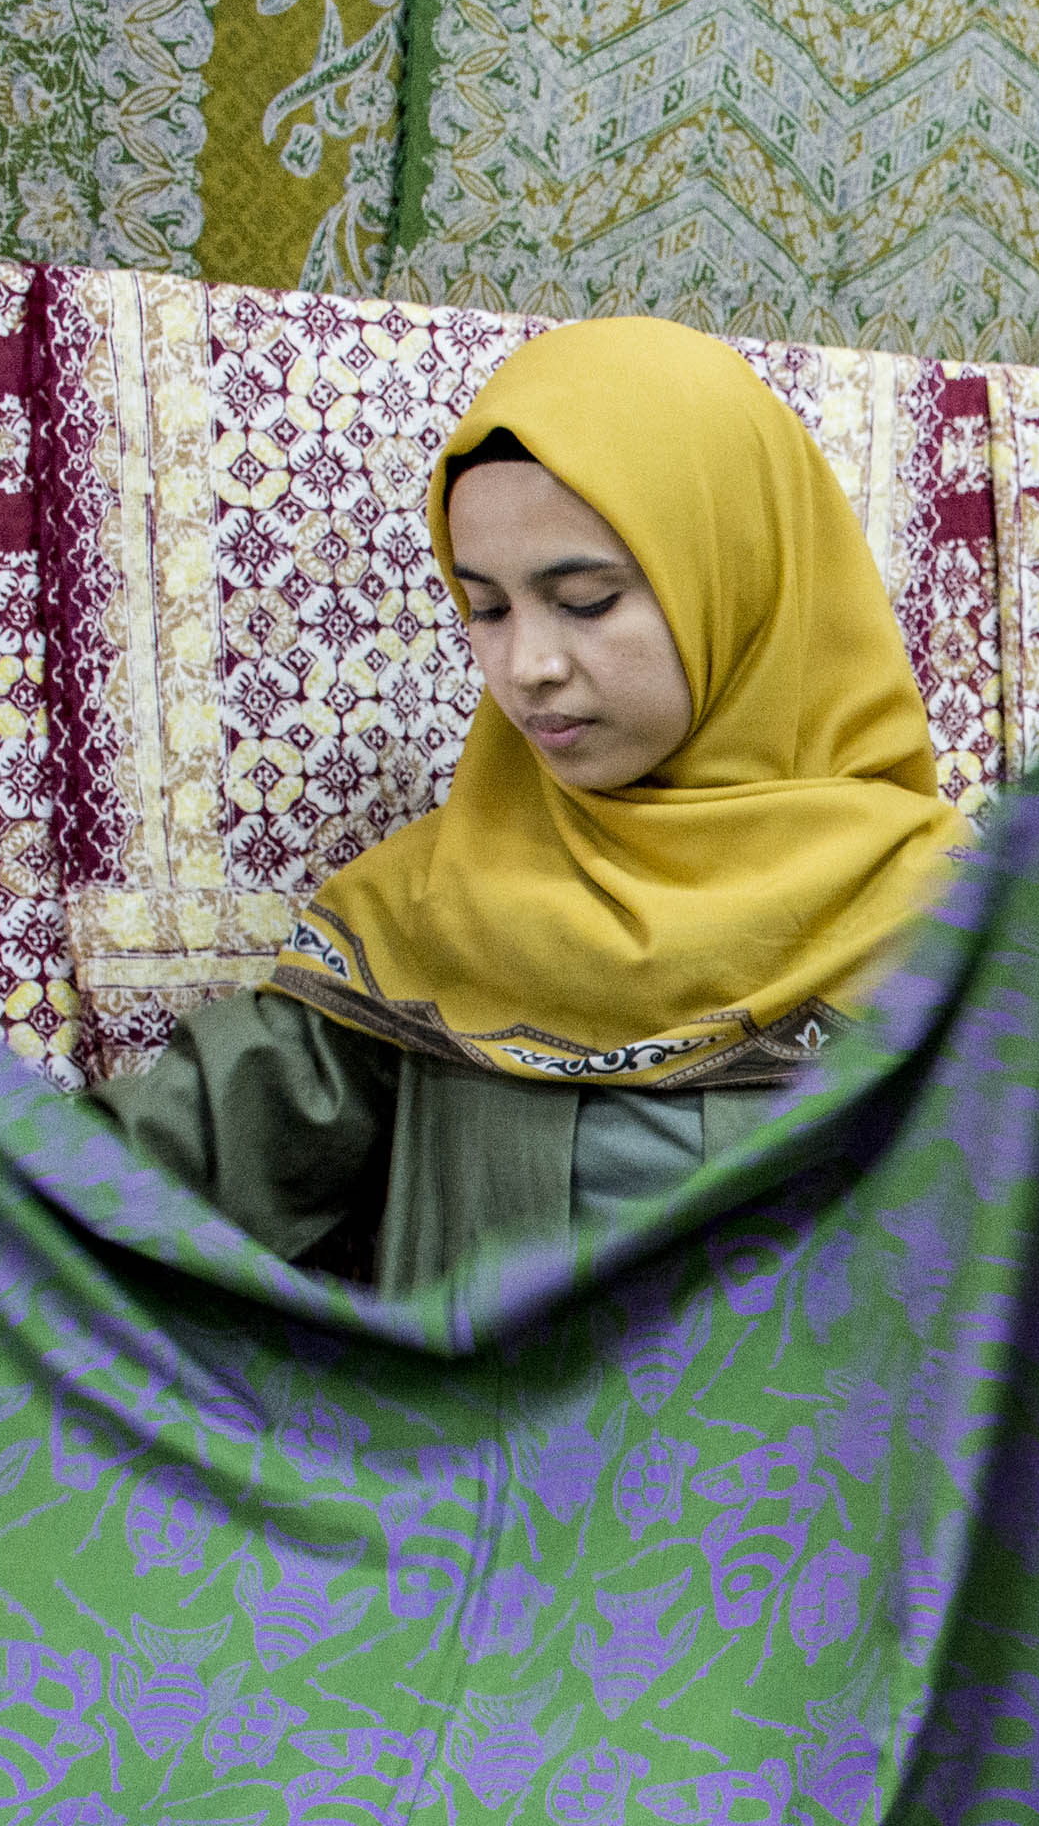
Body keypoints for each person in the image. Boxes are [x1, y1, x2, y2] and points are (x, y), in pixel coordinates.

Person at [90, 314, 966, 1288]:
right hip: (469, 1444)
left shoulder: (945, 919)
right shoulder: (435, 914)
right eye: (487, 608)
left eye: (586, 600)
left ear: (738, 577)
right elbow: (145, 1167)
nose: (528, 668)